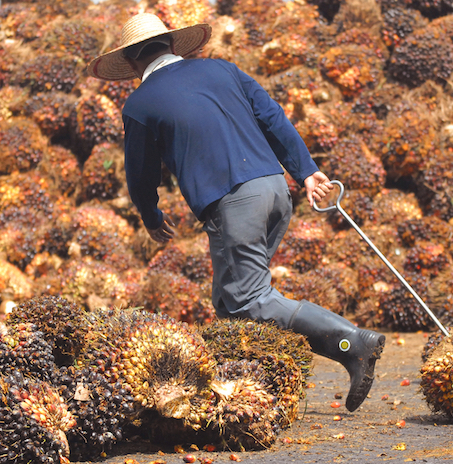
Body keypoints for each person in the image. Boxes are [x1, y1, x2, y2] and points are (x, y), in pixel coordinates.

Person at [87, 13, 385, 412]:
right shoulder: (222, 70)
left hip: (234, 201)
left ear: (132, 63)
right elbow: (272, 117)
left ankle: (353, 342)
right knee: (231, 304)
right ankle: (251, 393)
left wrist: (152, 217)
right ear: (174, 46)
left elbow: (140, 173)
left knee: (251, 300)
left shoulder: (140, 103)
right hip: (275, 191)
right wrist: (307, 172)